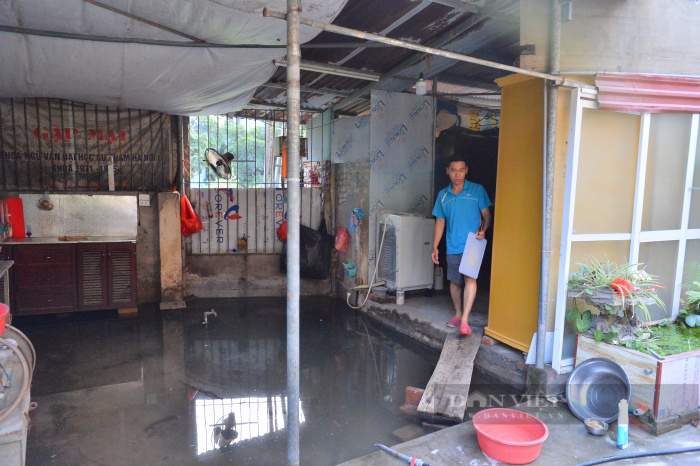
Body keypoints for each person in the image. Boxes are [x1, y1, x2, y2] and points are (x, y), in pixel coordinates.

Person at [431, 154, 492, 335]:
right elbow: (440, 222)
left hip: (473, 244)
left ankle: (465, 319)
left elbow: (487, 215)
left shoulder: (477, 190)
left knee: (470, 279)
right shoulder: (443, 195)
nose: (457, 174)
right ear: (448, 172)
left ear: (466, 171)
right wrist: (435, 246)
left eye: (461, 170)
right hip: (452, 244)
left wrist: (484, 229)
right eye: (453, 170)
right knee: (455, 282)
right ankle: (458, 313)